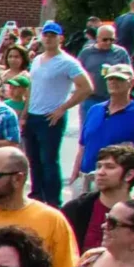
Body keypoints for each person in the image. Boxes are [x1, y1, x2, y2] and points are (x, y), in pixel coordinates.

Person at [22, 22, 92, 205]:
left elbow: (86, 87)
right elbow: (32, 86)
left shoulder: (68, 62)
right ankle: (37, 195)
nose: (49, 38)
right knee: (33, 159)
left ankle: (53, 200)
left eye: (53, 35)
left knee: (49, 161)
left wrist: (63, 108)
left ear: (60, 38)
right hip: (33, 114)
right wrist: (24, 113)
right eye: (46, 35)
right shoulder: (37, 59)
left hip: (51, 117)